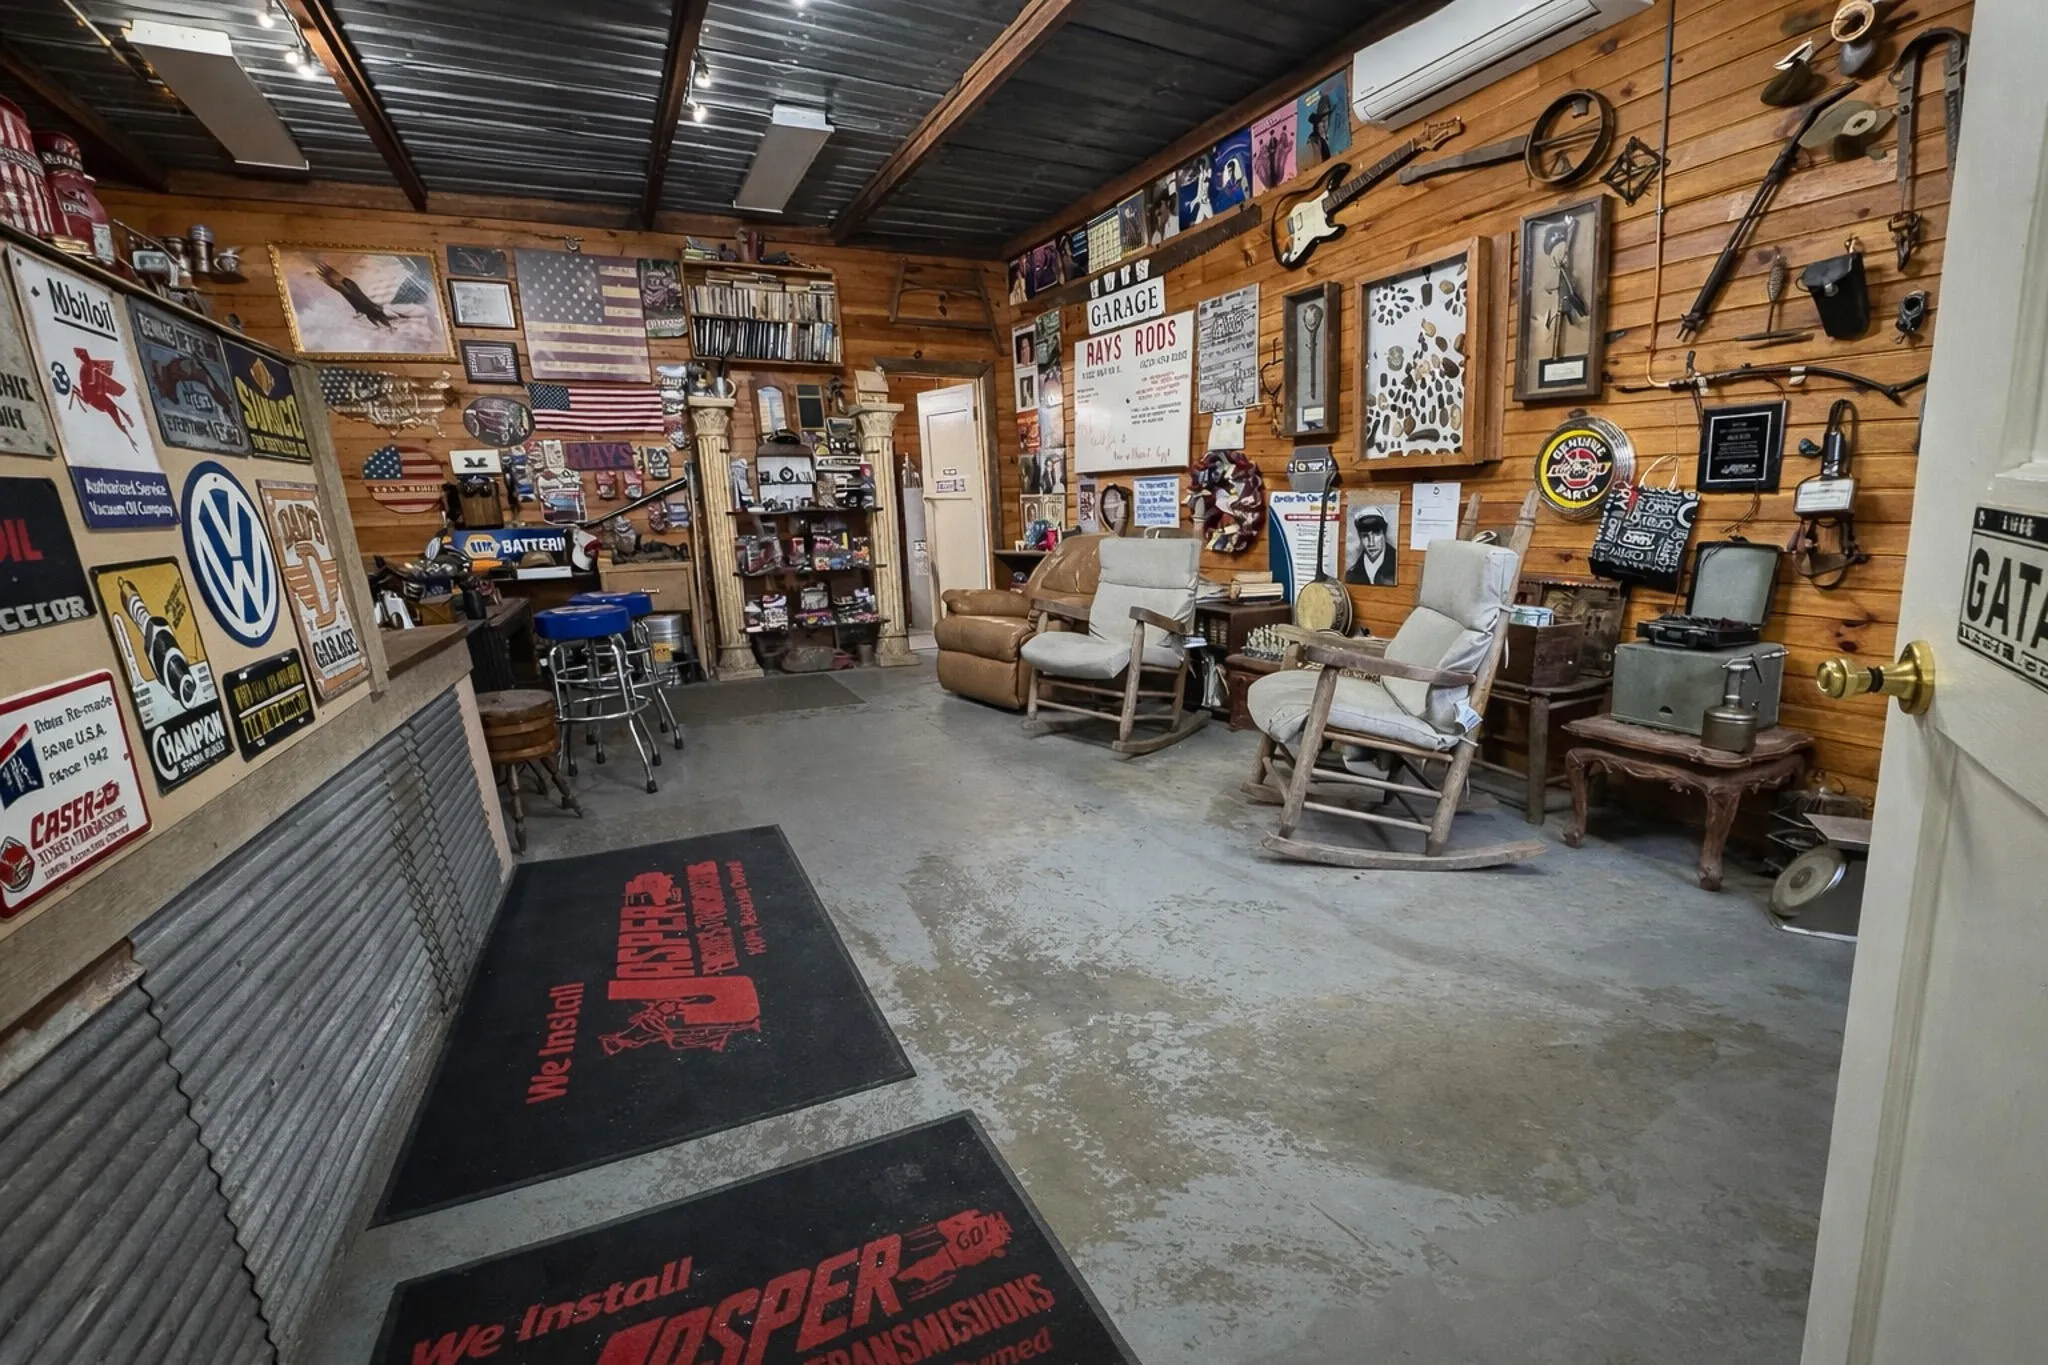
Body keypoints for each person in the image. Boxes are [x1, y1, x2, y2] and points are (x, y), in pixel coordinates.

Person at [1347, 510, 1396, 585]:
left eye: (1376, 534)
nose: (1371, 543)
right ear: (1360, 537)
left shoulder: (1397, 564)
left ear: (1384, 534)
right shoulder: (1351, 574)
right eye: (1365, 536)